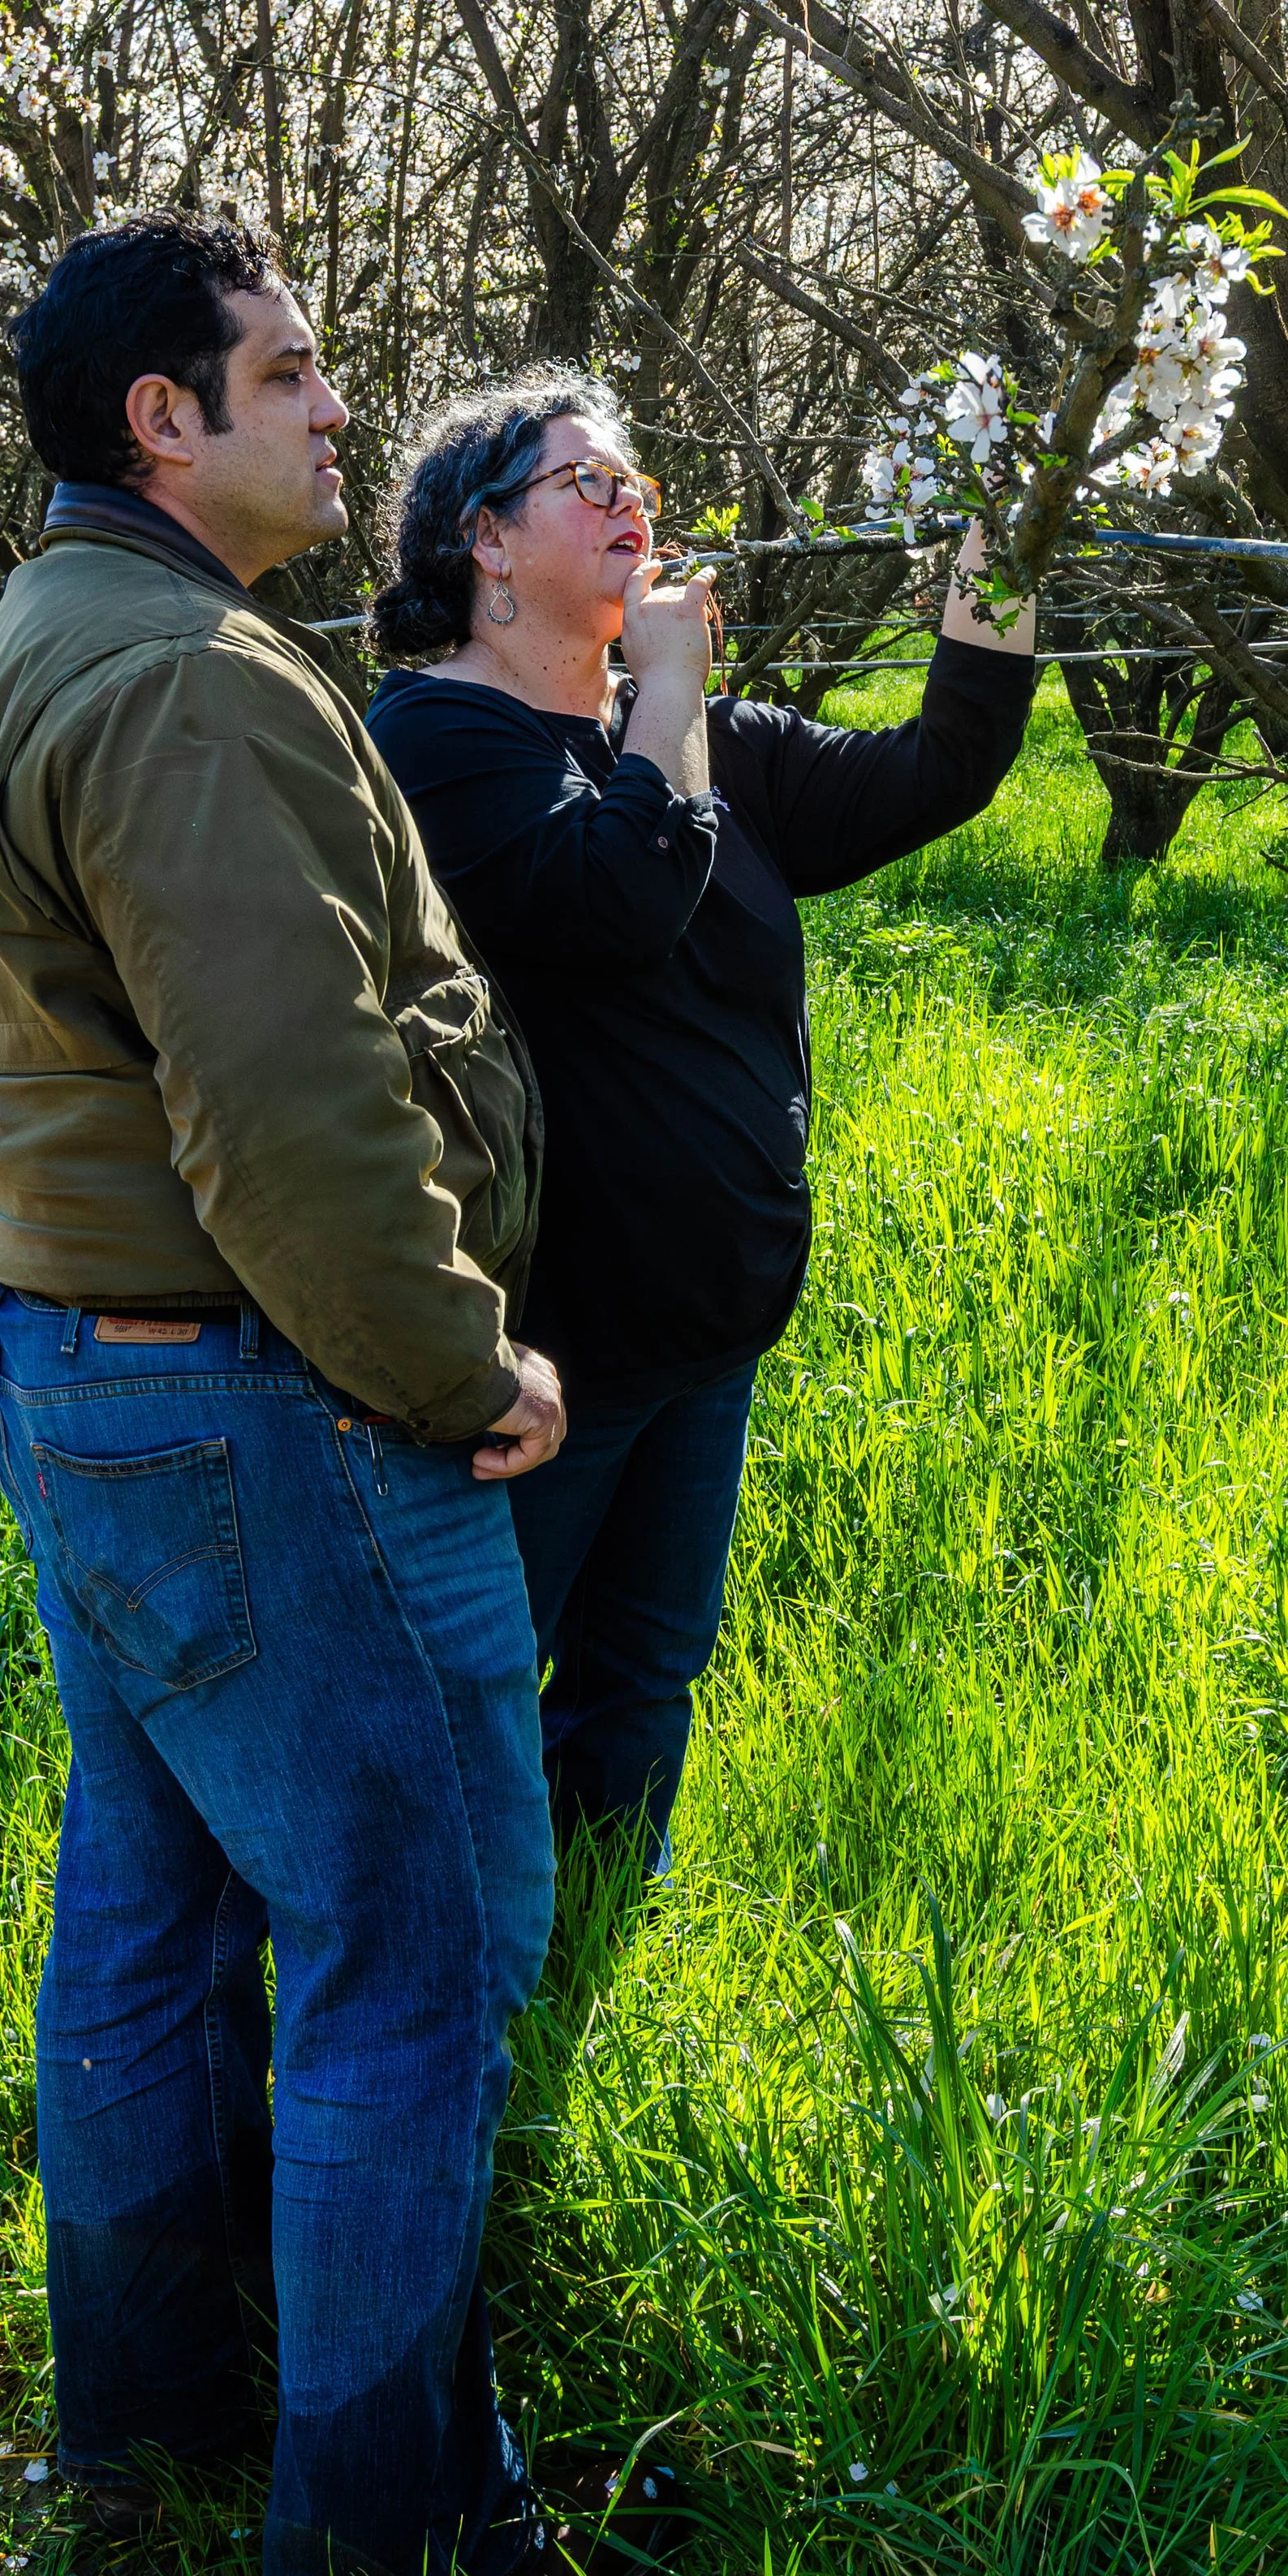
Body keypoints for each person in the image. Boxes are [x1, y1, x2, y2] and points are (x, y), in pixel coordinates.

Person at [0, 217, 601, 2576]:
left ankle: (142, 2435)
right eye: (291, 372)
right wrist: (460, 1363)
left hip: (89, 1374)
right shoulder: (194, 680)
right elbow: (289, 1121)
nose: (340, 408)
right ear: (162, 420)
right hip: (259, 1393)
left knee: (144, 1906)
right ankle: (368, 2542)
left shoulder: (48, 626)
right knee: (413, 1958)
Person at [364, 368, 1036, 1879]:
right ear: (484, 539)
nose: (633, 506)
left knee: (645, 1683)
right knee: (475, 1698)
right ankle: (444, 1992)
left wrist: (1013, 553)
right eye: (588, 484)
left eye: (637, 484)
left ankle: (589, 1957)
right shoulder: (432, 746)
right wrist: (664, 688)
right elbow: (618, 897)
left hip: (709, 1322)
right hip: (542, 1345)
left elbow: (944, 767)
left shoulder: (689, 735)